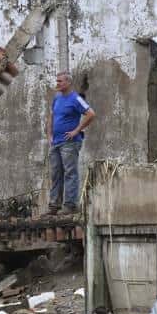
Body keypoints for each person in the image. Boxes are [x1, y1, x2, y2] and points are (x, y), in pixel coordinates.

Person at [48, 71, 95, 215]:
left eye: (60, 81)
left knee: (70, 173)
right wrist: (49, 135)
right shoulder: (56, 98)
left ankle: (70, 205)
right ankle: (54, 206)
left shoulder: (76, 98)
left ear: (68, 82)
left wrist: (76, 130)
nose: (57, 84)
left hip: (70, 142)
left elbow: (91, 114)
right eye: (57, 81)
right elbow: (51, 116)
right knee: (55, 173)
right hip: (55, 142)